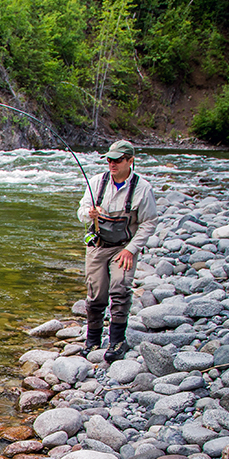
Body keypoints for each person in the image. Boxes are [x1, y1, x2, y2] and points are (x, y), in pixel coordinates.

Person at [77, 139, 158, 362]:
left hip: (124, 248)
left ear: (130, 161)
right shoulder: (96, 182)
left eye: (118, 160)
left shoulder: (143, 189)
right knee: (96, 295)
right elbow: (81, 211)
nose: (112, 164)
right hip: (98, 246)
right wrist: (89, 213)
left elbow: (149, 222)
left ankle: (117, 342)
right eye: (110, 160)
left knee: (120, 290)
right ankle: (92, 340)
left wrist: (131, 250)